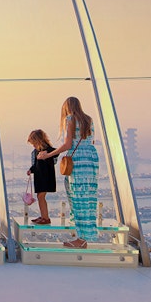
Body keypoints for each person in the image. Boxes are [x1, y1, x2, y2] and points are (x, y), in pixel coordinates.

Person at [38, 97, 98, 248]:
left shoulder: (70, 119)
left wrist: (48, 155)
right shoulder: (88, 119)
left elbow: (67, 144)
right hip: (90, 160)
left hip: (77, 161)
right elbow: (90, 140)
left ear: (66, 107)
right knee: (87, 198)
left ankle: (81, 240)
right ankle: (83, 236)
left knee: (77, 197)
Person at [26, 129, 58, 225]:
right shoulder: (36, 152)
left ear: (38, 140)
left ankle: (46, 218)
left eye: (34, 143)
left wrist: (46, 154)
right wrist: (31, 170)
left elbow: (56, 152)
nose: (33, 145)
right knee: (40, 197)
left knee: (41, 196)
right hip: (39, 177)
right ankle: (43, 216)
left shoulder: (47, 149)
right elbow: (36, 165)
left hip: (46, 177)